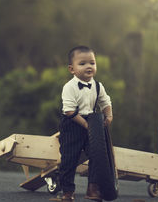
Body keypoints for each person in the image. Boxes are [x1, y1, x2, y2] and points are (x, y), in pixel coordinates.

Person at [58, 45, 113, 202]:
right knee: (69, 158)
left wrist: (108, 115)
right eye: (82, 64)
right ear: (72, 69)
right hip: (73, 124)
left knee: (97, 156)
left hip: (92, 123)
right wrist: (86, 126)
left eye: (92, 63)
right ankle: (68, 191)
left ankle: (93, 188)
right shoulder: (69, 87)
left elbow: (105, 101)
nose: (89, 66)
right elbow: (68, 111)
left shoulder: (98, 85)